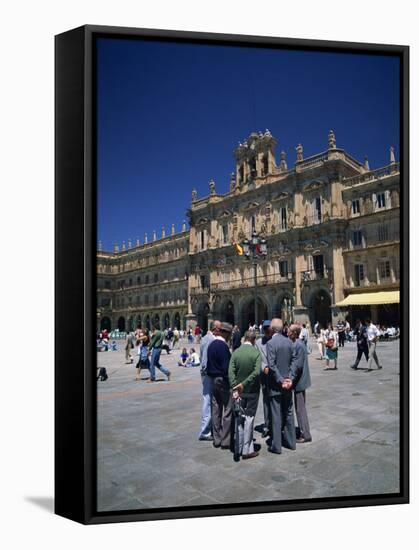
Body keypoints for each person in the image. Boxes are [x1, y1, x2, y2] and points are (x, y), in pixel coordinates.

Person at [266, 318, 298, 454]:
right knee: (289, 412)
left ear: (272, 329)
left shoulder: (270, 343)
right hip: (288, 386)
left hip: (275, 386)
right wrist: (289, 379)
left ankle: (277, 446)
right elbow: (294, 362)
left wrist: (280, 380)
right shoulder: (289, 342)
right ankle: (291, 443)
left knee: (276, 414)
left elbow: (271, 365)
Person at [229, 331, 261, 459]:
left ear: (244, 339)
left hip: (238, 392)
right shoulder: (255, 353)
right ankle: (247, 450)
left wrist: (235, 387)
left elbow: (230, 372)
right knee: (249, 418)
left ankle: (239, 447)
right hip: (252, 391)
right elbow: (257, 372)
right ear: (253, 340)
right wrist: (245, 383)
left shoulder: (236, 352)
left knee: (239, 419)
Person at [206, 322, 233, 449]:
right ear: (226, 333)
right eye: (230, 334)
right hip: (222, 380)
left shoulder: (211, 345)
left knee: (216, 410)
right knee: (228, 409)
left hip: (212, 380)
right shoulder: (223, 347)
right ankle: (225, 440)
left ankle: (216, 439)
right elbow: (226, 368)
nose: (230, 337)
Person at [288, 324, 312, 443]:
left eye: (289, 331)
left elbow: (297, 365)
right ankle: (304, 431)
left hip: (299, 382)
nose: (287, 333)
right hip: (301, 381)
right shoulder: (298, 344)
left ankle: (305, 434)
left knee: (300, 409)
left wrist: (290, 379)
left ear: (294, 333)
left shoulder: (297, 345)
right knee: (300, 407)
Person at [198, 320, 221, 441]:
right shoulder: (210, 340)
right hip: (208, 374)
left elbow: (202, 356)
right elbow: (205, 358)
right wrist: (207, 372)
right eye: (220, 328)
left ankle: (209, 427)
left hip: (206, 373)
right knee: (207, 401)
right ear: (215, 329)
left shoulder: (204, 338)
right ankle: (205, 431)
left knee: (209, 400)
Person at [255, 320, 272, 439]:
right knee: (266, 401)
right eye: (265, 329)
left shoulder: (276, 341)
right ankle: (267, 425)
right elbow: (257, 359)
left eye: (268, 329)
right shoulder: (258, 343)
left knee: (276, 401)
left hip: (276, 376)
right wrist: (264, 367)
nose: (266, 331)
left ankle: (277, 424)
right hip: (265, 376)